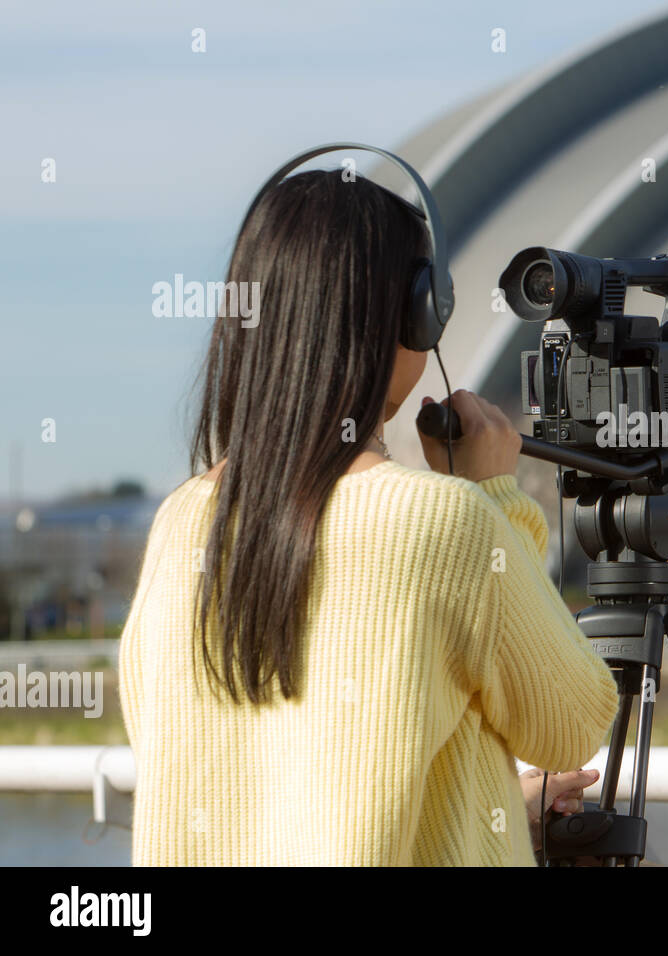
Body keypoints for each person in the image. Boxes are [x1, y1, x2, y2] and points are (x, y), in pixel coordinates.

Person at [119, 169, 619, 865]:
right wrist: (496, 499)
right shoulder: (444, 523)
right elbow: (572, 722)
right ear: (413, 315)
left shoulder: (180, 525)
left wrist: (498, 813)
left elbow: (268, 773)